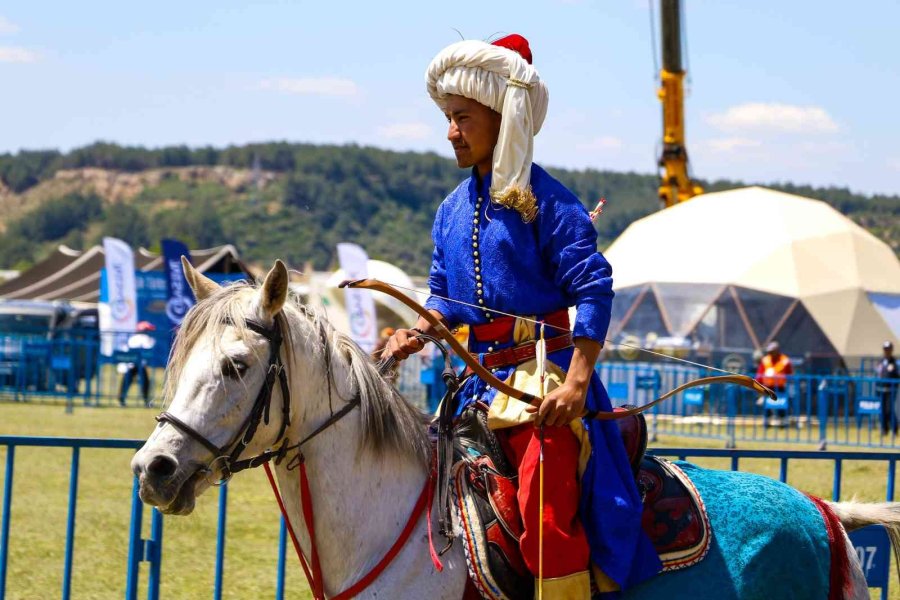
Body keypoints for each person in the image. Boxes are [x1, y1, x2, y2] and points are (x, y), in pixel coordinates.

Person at [382, 34, 660, 598]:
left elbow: (594, 288)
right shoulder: (449, 211)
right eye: (447, 117)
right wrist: (416, 331)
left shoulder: (553, 203)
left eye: (461, 117)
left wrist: (577, 385)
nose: (450, 131)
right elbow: (443, 296)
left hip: (546, 389)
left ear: (502, 117)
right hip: (473, 390)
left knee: (544, 491)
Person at [118, 321, 156, 407]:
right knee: (144, 382)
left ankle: (121, 399)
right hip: (138, 364)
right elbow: (148, 349)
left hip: (131, 364)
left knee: (127, 381)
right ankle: (146, 401)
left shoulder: (133, 338)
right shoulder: (146, 339)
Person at [755, 341, 793, 426]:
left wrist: (784, 378)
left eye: (772, 351)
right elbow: (760, 374)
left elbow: (789, 373)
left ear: (777, 351)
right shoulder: (765, 360)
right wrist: (758, 384)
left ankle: (783, 421)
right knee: (766, 404)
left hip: (780, 387)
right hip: (767, 386)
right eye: (769, 351)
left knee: (781, 403)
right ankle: (767, 421)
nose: (770, 353)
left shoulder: (784, 360)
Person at [877, 341, 899, 435]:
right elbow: (878, 372)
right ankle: (884, 429)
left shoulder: (895, 362)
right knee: (882, 409)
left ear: (891, 350)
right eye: (885, 349)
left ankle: (894, 429)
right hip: (881, 389)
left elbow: (897, 374)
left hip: (891, 389)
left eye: (888, 349)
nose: (887, 351)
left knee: (889, 409)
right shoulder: (881, 361)